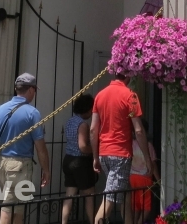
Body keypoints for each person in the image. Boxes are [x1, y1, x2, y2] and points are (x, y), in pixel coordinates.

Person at [90, 75, 159, 224]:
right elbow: (139, 130)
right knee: (110, 198)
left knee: (125, 192)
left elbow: (93, 129)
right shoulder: (130, 95)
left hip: (104, 153)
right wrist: (147, 159)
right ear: (128, 76)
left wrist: (95, 157)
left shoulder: (100, 95)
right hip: (120, 154)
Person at [0, 73, 51, 224]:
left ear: (16, 89)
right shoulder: (32, 113)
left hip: (1, 164)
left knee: (17, 210)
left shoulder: (0, 110)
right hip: (19, 167)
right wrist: (46, 170)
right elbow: (40, 148)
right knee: (9, 209)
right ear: (31, 90)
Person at [60, 93, 97, 224]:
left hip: (68, 159)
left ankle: (63, 222)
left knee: (69, 194)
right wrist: (95, 150)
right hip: (80, 162)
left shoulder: (69, 121)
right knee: (89, 195)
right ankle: (93, 221)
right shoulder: (83, 125)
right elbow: (82, 147)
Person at [129, 118, 157, 224]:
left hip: (132, 178)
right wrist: (158, 180)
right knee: (146, 207)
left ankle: (134, 221)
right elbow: (153, 164)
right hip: (144, 178)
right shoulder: (148, 146)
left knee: (136, 206)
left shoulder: (131, 144)